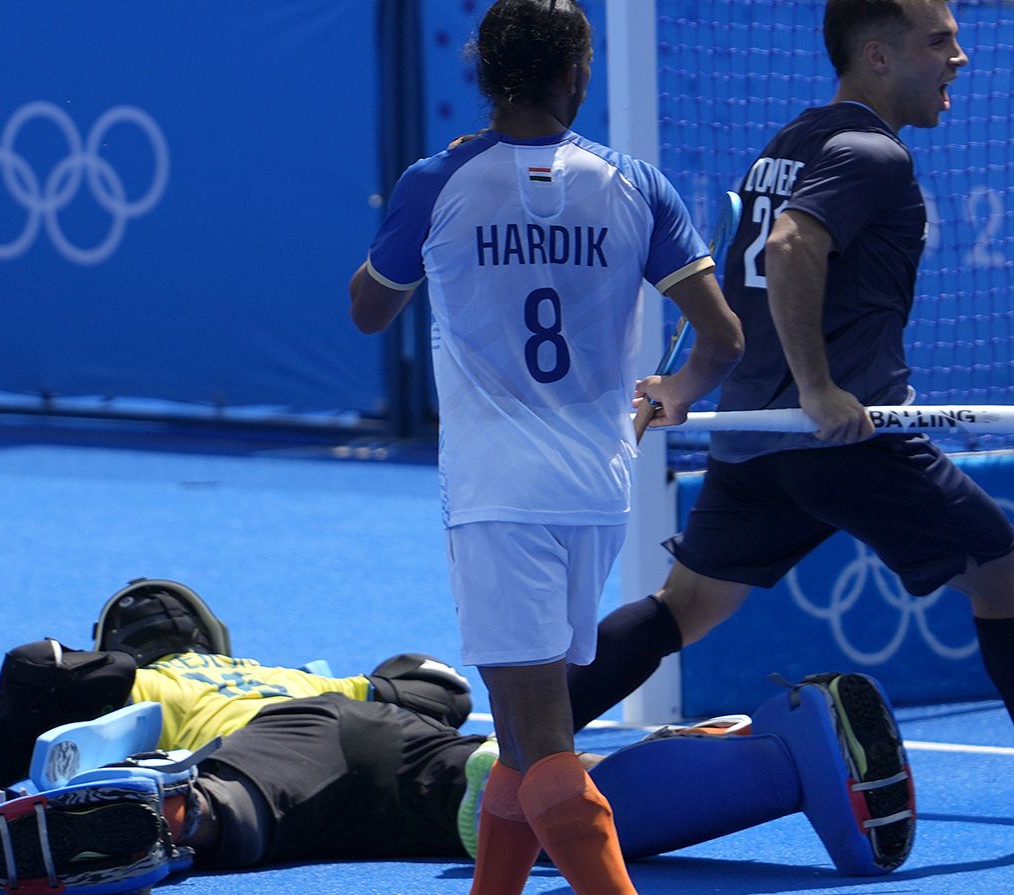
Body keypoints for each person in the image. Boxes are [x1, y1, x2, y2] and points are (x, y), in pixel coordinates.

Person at [566, 0, 1014, 838]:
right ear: (879, 57)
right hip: (845, 441)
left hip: (756, 436)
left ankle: (520, 748)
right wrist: (819, 387)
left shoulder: (787, 144)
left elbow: (740, 280)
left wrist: (689, 380)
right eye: (939, 41)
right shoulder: (873, 154)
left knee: (686, 605)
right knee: (1010, 575)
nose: (959, 58)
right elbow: (789, 248)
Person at [346, 1, 741, 893]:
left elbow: (369, 309)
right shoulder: (637, 184)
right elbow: (723, 338)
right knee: (521, 738)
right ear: (576, 74)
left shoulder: (437, 181)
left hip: (497, 495)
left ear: (484, 72)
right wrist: (673, 394)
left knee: (545, 742)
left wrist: (410, 238)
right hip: (598, 489)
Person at [0, 579, 913, 893]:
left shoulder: (151, 679)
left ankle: (164, 817)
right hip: (377, 726)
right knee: (525, 792)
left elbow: (32, 666)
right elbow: (438, 688)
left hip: (277, 743)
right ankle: (782, 758)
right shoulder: (296, 669)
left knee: (234, 807)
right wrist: (376, 686)